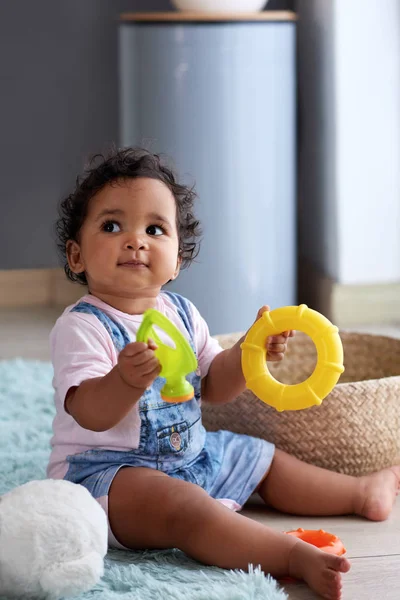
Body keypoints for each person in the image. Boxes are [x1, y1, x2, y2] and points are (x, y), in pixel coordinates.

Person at [47, 147, 399, 600]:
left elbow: (214, 387)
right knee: (184, 508)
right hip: (109, 481)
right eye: (112, 226)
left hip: (191, 459)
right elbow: (89, 412)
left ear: (176, 261)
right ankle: (289, 556)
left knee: (259, 456)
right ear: (76, 256)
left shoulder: (183, 314)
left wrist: (251, 351)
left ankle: (358, 492)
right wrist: (124, 382)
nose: (136, 240)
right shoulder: (81, 327)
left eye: (155, 228)